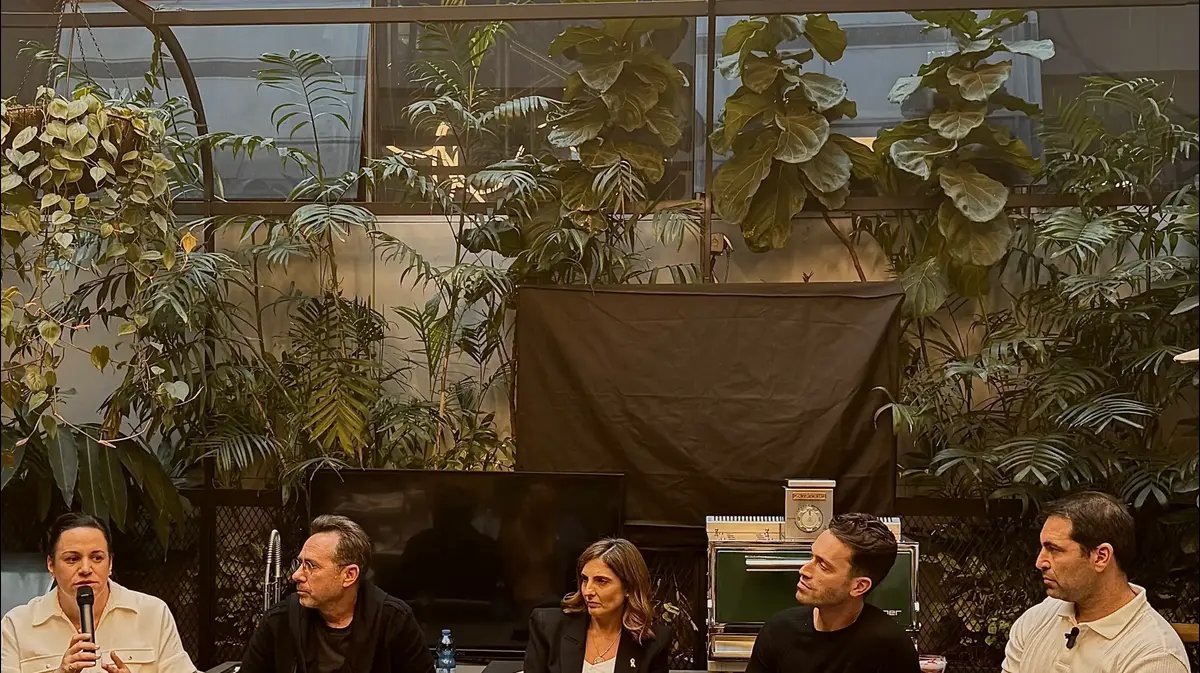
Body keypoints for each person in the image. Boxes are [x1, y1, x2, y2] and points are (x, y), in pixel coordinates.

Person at [1002, 491, 1190, 673]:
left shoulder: (1155, 656)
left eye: (1054, 549)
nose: (1040, 562)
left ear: (1101, 557)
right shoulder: (1037, 618)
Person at [0, 512, 197, 673]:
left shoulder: (152, 614)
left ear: (110, 563)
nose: (86, 569)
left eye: (96, 558)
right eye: (72, 559)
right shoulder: (17, 625)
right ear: (51, 565)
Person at [239, 514, 434, 673]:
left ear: (349, 575)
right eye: (299, 563)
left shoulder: (394, 621)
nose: (296, 575)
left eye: (311, 566)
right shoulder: (279, 621)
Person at [746, 513, 920, 673]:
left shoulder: (891, 649)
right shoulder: (779, 631)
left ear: (859, 586)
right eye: (812, 557)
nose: (804, 570)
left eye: (823, 566)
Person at [524, 538, 672, 673]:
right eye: (584, 579)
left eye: (601, 581)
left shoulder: (653, 643)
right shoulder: (547, 627)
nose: (587, 591)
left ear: (628, 588)